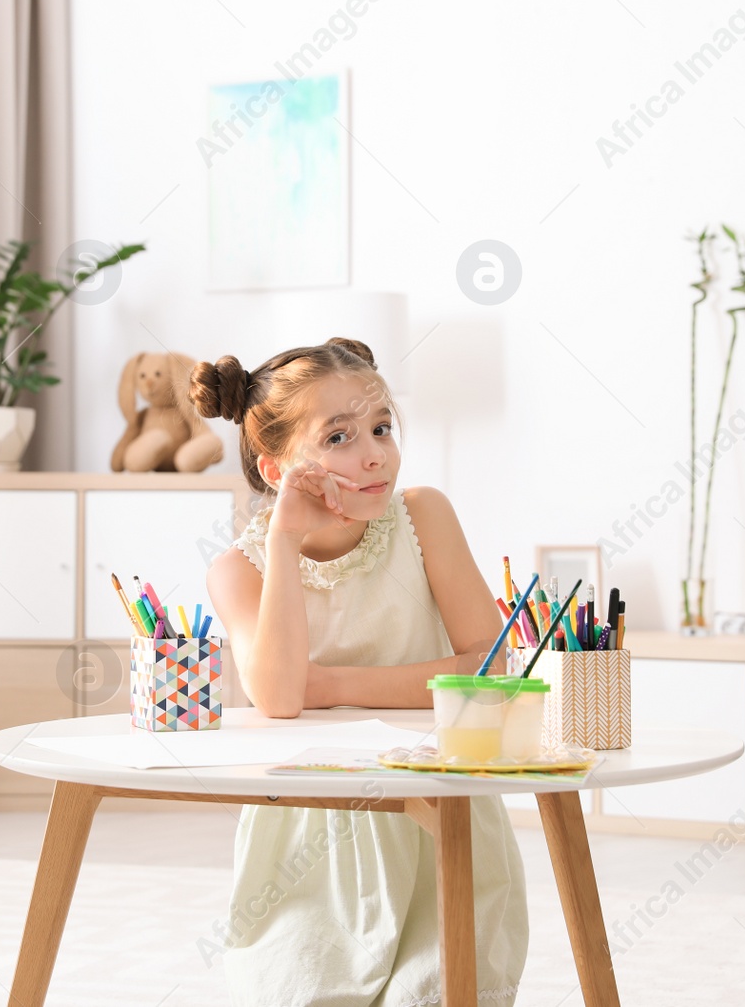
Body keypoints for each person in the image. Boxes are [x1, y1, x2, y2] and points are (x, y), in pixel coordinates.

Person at [191, 336, 528, 1006]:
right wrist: (285, 543)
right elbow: (283, 698)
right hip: (309, 838)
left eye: (381, 427)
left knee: (441, 991)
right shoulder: (238, 569)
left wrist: (335, 685)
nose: (374, 452)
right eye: (339, 436)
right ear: (274, 465)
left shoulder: (422, 516)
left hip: (439, 819)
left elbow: (490, 668)